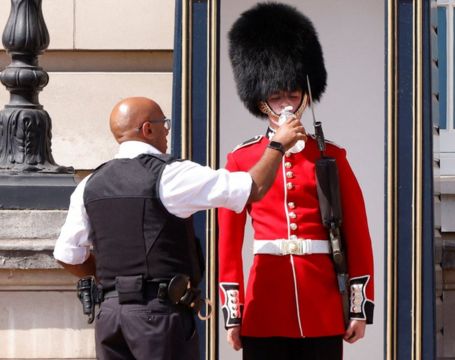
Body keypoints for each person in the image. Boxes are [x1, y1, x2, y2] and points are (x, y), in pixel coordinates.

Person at [53, 96, 306, 360]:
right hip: (158, 316)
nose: (167, 131)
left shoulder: (89, 184)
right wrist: (278, 144)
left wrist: (111, 282)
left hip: (110, 316)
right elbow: (254, 188)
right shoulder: (170, 175)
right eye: (165, 124)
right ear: (147, 129)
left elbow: (67, 255)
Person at [218, 3, 375, 359]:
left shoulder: (331, 156)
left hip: (320, 302)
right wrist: (233, 312)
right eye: (276, 96)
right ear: (262, 104)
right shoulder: (242, 159)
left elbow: (358, 234)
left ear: (306, 96)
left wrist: (358, 307)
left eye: (292, 94)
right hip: (265, 301)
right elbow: (228, 242)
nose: (286, 104)